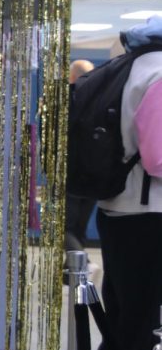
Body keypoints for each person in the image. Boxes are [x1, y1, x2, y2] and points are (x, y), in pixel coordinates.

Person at [91, 17, 162, 350]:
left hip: (118, 212)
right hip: (149, 218)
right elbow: (158, 159)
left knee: (121, 324)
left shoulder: (127, 66)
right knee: (143, 330)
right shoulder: (159, 74)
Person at [64, 60, 98, 263]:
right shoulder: (102, 96)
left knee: (66, 226)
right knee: (79, 226)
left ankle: (81, 263)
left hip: (70, 171)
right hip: (95, 172)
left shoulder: (63, 99)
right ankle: (72, 269)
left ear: (72, 76)